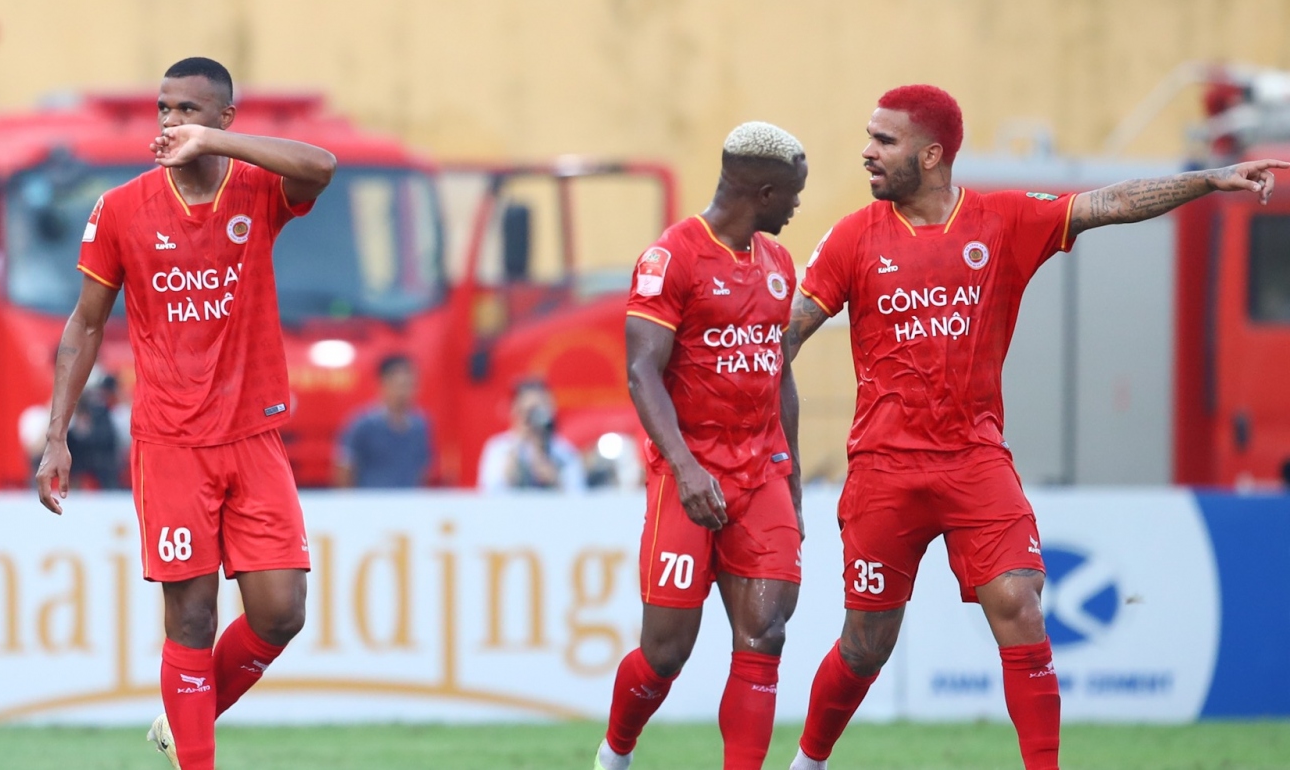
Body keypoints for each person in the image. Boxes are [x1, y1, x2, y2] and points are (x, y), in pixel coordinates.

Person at [785, 85, 1281, 770]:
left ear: (930, 155)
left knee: (1020, 604)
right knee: (865, 645)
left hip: (974, 460)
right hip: (883, 470)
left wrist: (1210, 178)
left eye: (884, 140)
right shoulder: (852, 238)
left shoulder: (1003, 220)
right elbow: (785, 338)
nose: (868, 152)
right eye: (871, 137)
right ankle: (808, 762)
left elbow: (1110, 202)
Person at [33, 57, 336, 770]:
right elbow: (84, 324)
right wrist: (56, 436)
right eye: (164, 109)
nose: (171, 122)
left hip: (253, 433)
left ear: (224, 119)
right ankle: (197, 753)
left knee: (282, 612)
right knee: (192, 618)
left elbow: (321, 166)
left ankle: (182, 718)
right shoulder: (122, 208)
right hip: (171, 442)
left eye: (189, 111)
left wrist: (215, 145)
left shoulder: (256, 187)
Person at [595, 121, 809, 770]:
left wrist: (794, 483)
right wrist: (686, 469)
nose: (798, 206)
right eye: (793, 194)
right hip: (688, 473)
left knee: (765, 635)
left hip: (762, 473)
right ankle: (615, 752)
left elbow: (780, 374)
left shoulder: (778, 264)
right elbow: (641, 371)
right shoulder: (672, 257)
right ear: (764, 193)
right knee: (666, 653)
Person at [333, 354, 434, 488]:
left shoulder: (420, 426)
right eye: (400, 385)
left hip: (408, 499)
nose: (404, 392)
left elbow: (422, 471)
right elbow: (345, 469)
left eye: (411, 385)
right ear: (383, 384)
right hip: (370, 499)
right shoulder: (363, 425)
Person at [477, 378, 586, 493]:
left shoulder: (563, 452)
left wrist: (555, 480)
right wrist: (517, 446)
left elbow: (578, 494)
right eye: (526, 411)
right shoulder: (498, 448)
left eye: (537, 410)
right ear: (515, 410)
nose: (532, 418)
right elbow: (490, 491)